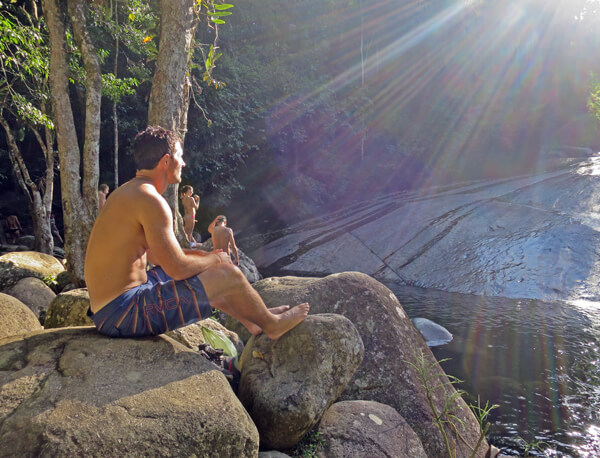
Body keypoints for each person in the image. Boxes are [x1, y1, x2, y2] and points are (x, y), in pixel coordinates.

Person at [84, 125, 309, 340]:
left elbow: (156, 256)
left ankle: (254, 320)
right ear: (166, 161)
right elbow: (178, 268)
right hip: (124, 313)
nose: (183, 163)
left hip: (110, 308)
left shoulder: (127, 192)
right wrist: (215, 258)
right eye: (179, 156)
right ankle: (273, 325)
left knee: (206, 268)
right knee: (226, 275)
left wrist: (201, 256)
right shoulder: (151, 201)